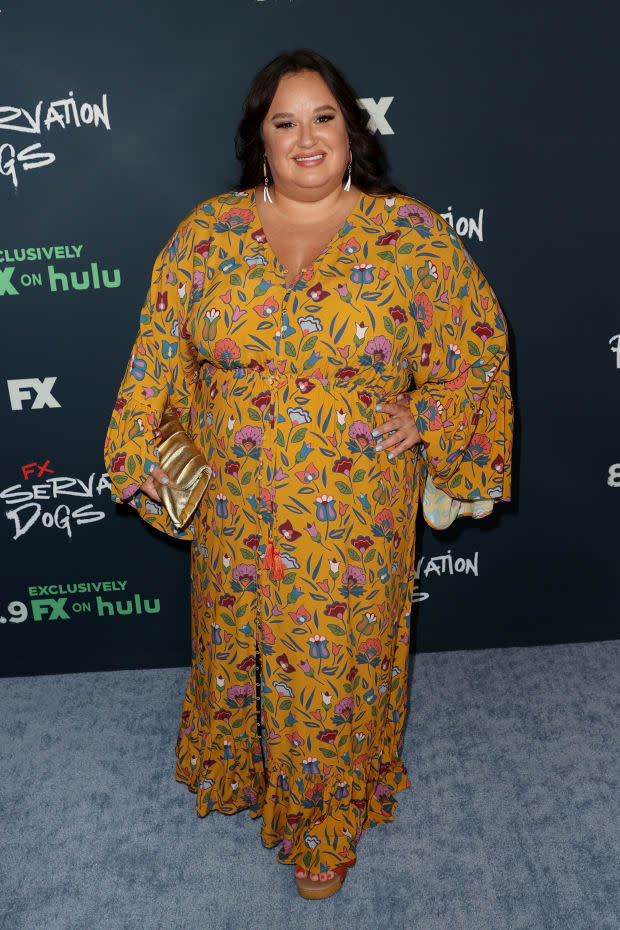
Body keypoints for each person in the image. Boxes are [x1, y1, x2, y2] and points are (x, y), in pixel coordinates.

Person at [103, 48, 513, 900]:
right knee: (237, 645)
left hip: (355, 505)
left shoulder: (409, 235)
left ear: (351, 130)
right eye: (284, 121)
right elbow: (158, 355)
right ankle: (247, 775)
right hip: (237, 497)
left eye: (323, 116)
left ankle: (322, 829)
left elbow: (477, 348)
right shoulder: (205, 235)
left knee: (331, 670)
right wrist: (140, 448)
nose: (306, 137)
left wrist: (431, 417)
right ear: (260, 138)